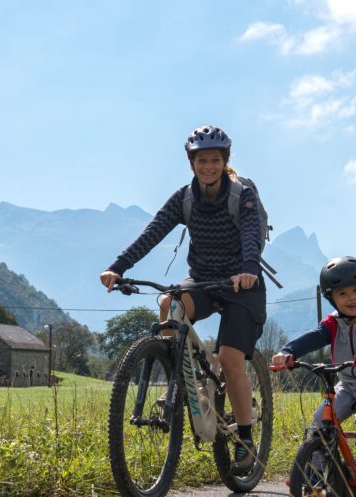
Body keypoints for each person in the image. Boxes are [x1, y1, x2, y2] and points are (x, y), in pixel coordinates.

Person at [99, 125, 267, 475]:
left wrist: (249, 268)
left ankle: (246, 440)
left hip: (242, 286)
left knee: (231, 358)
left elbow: (251, 233)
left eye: (215, 160)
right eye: (202, 160)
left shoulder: (242, 195)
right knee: (168, 305)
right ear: (191, 163)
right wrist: (118, 267)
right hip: (204, 281)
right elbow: (153, 231)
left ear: (225, 162)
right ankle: (180, 382)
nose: (208, 166)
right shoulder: (184, 198)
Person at [270, 256, 356, 490]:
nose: (352, 298)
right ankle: (315, 470)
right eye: (342, 293)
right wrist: (287, 352)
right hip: (348, 386)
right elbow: (313, 338)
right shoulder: (333, 324)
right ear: (331, 298)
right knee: (320, 421)